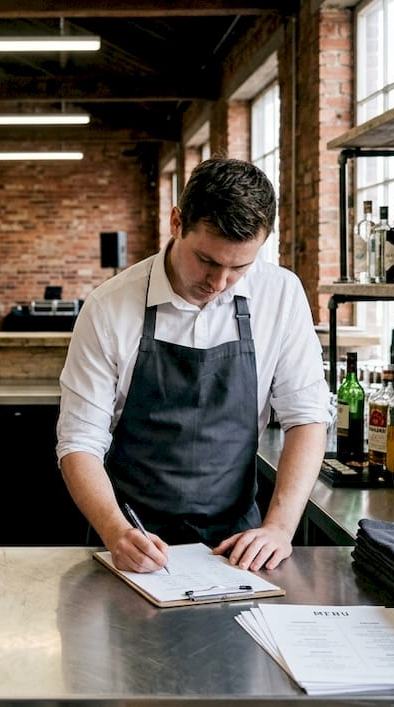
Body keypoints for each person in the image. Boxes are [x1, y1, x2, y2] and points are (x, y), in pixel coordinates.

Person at [56, 157, 329, 574]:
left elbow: (307, 417)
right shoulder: (109, 307)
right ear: (176, 222)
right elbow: (79, 442)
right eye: (206, 260)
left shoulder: (281, 294)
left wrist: (278, 527)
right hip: (133, 542)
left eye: (239, 267)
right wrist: (115, 531)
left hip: (239, 549)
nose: (219, 283)